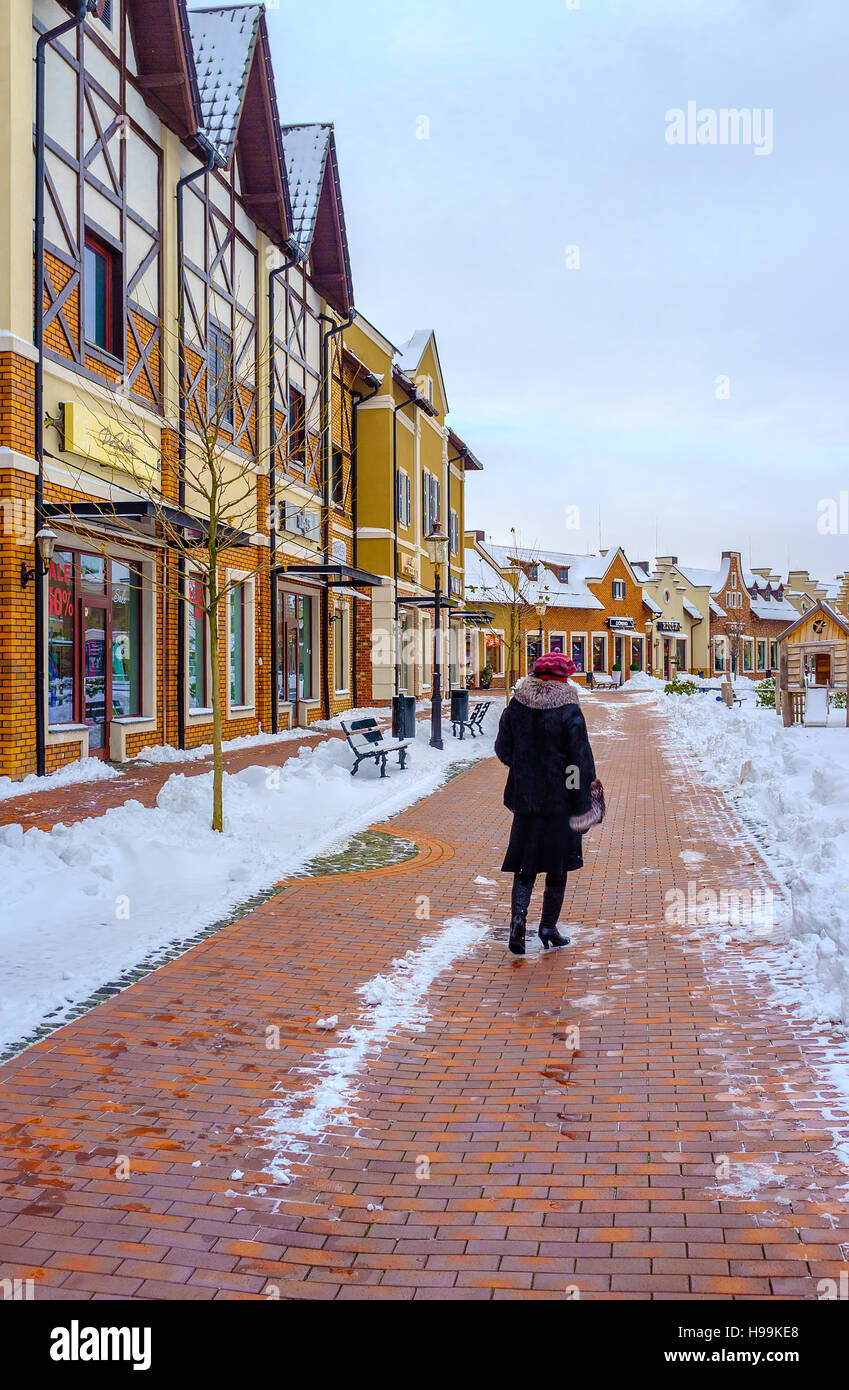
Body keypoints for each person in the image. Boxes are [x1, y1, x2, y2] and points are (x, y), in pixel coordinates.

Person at [494, 652, 603, 955]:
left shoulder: (516, 706)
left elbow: (503, 749)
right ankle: (548, 928)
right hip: (559, 805)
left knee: (525, 865)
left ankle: (517, 922)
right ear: (565, 678)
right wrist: (576, 793)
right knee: (557, 867)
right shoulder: (569, 710)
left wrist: (525, 769)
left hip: (526, 802)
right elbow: (578, 762)